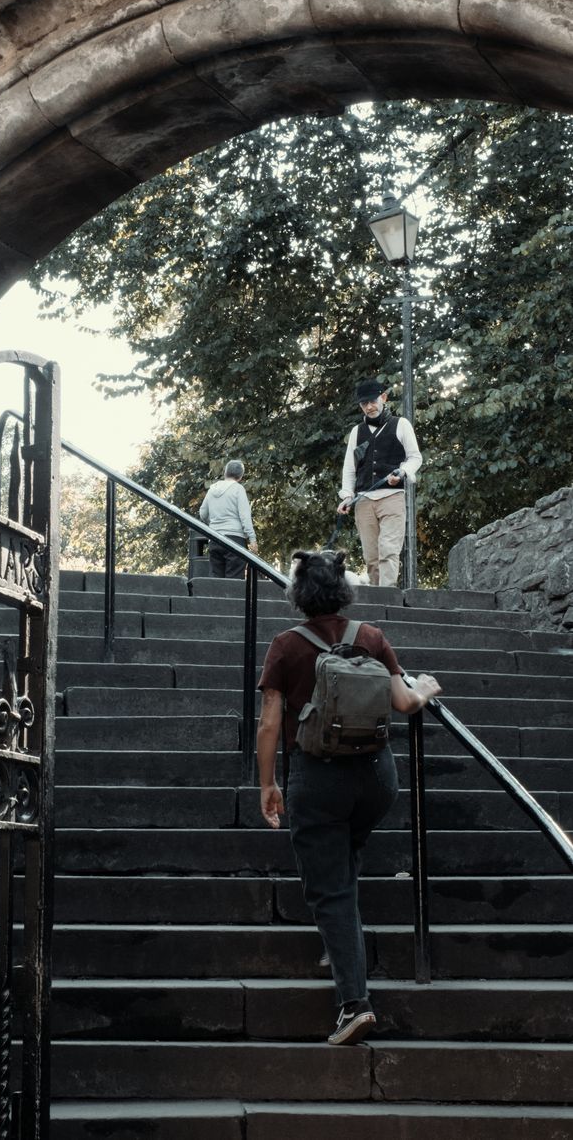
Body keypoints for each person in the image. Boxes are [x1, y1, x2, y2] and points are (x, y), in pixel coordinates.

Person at [256, 548, 441, 1045]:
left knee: (330, 889)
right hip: (377, 779)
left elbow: (271, 722)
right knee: (348, 857)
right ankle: (342, 948)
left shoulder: (286, 646)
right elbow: (403, 702)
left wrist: (267, 784)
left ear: (299, 593)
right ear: (344, 591)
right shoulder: (371, 638)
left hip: (319, 779)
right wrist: (424, 687)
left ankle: (354, 1005)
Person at [337, 378, 422, 588]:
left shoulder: (401, 424)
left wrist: (402, 472)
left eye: (373, 401)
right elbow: (349, 467)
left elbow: (415, 458)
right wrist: (347, 496)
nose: (369, 407)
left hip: (392, 497)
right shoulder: (357, 431)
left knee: (388, 550)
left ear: (383, 398)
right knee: (371, 556)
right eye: (364, 404)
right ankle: (377, 597)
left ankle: (388, 597)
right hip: (364, 500)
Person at [199, 459, 257, 579]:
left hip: (215, 538)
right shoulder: (238, 489)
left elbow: (203, 513)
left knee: (216, 579)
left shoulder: (212, 489)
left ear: (225, 473)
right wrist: (252, 539)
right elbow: (245, 517)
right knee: (234, 581)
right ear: (240, 476)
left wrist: (213, 525)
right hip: (235, 540)